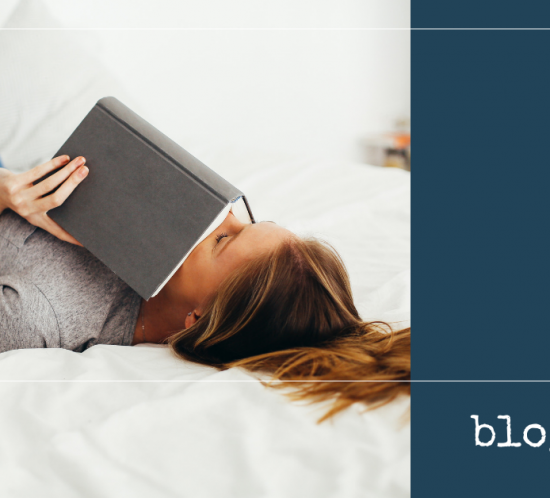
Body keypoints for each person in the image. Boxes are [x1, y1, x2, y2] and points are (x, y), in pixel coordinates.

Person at [0, 155, 410, 419]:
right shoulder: (145, 229)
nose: (221, 215)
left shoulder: (36, 316)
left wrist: (5, 191)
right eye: (247, 222)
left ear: (196, 319)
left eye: (223, 239)